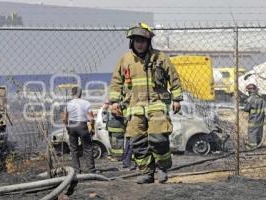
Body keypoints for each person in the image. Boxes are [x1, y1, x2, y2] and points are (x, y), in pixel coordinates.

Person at [108, 22, 183, 184]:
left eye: (142, 40)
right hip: (134, 108)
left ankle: (162, 168)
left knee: (158, 139)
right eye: (136, 40)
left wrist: (177, 99)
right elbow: (116, 82)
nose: (139, 44)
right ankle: (147, 173)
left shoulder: (160, 57)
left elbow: (174, 78)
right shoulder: (125, 60)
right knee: (137, 141)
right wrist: (114, 102)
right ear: (132, 42)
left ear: (148, 42)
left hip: (157, 106)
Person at [63, 86, 96, 173]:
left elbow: (64, 119)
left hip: (72, 126)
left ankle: (77, 170)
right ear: (81, 93)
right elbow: (91, 118)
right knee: (88, 148)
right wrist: (92, 128)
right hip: (82, 126)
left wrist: (67, 128)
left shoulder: (68, 104)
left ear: (72, 93)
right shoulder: (86, 103)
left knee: (73, 149)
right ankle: (91, 169)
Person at [243, 83, 266, 149]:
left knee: (252, 132)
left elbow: (246, 109)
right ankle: (258, 143)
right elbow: (265, 109)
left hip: (253, 119)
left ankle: (252, 146)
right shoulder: (261, 99)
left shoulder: (250, 99)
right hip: (260, 119)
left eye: (248, 91)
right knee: (259, 131)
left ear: (250, 91)